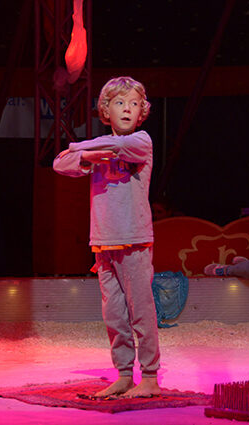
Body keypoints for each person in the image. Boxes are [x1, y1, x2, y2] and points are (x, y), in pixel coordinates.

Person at [53, 76, 161, 398]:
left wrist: (81, 148)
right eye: (119, 103)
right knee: (114, 313)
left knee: (140, 310)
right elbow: (59, 163)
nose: (127, 109)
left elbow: (116, 147)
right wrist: (86, 156)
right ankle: (125, 374)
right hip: (103, 240)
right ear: (105, 110)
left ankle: (150, 377)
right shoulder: (99, 148)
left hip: (133, 239)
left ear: (141, 112)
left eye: (134, 104)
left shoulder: (141, 141)